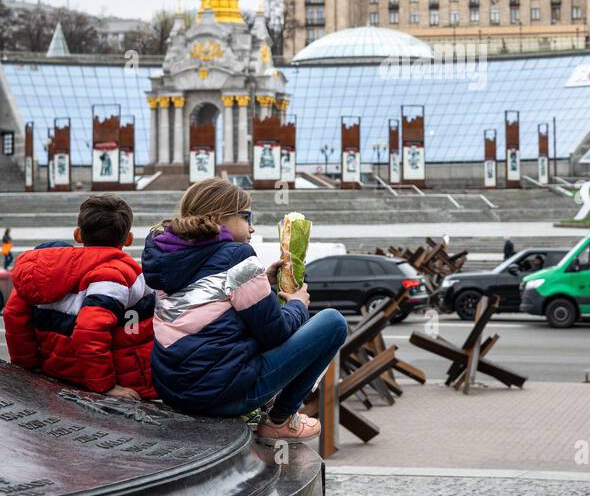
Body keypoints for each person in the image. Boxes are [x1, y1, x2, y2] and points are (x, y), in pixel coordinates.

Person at [140, 179, 347, 443]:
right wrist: (297, 303)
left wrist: (262, 280)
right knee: (333, 322)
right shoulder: (237, 255)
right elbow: (276, 333)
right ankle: (281, 420)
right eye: (246, 216)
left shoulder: (166, 259)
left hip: (175, 393)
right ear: (218, 218)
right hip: (225, 396)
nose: (252, 227)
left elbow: (210, 300)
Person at [3, 195, 156, 399]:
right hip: (114, 379)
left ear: (78, 235)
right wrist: (104, 385)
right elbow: (89, 330)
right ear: (128, 239)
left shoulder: (45, 271)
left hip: (55, 371)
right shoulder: (117, 275)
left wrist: (27, 367)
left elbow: (14, 315)